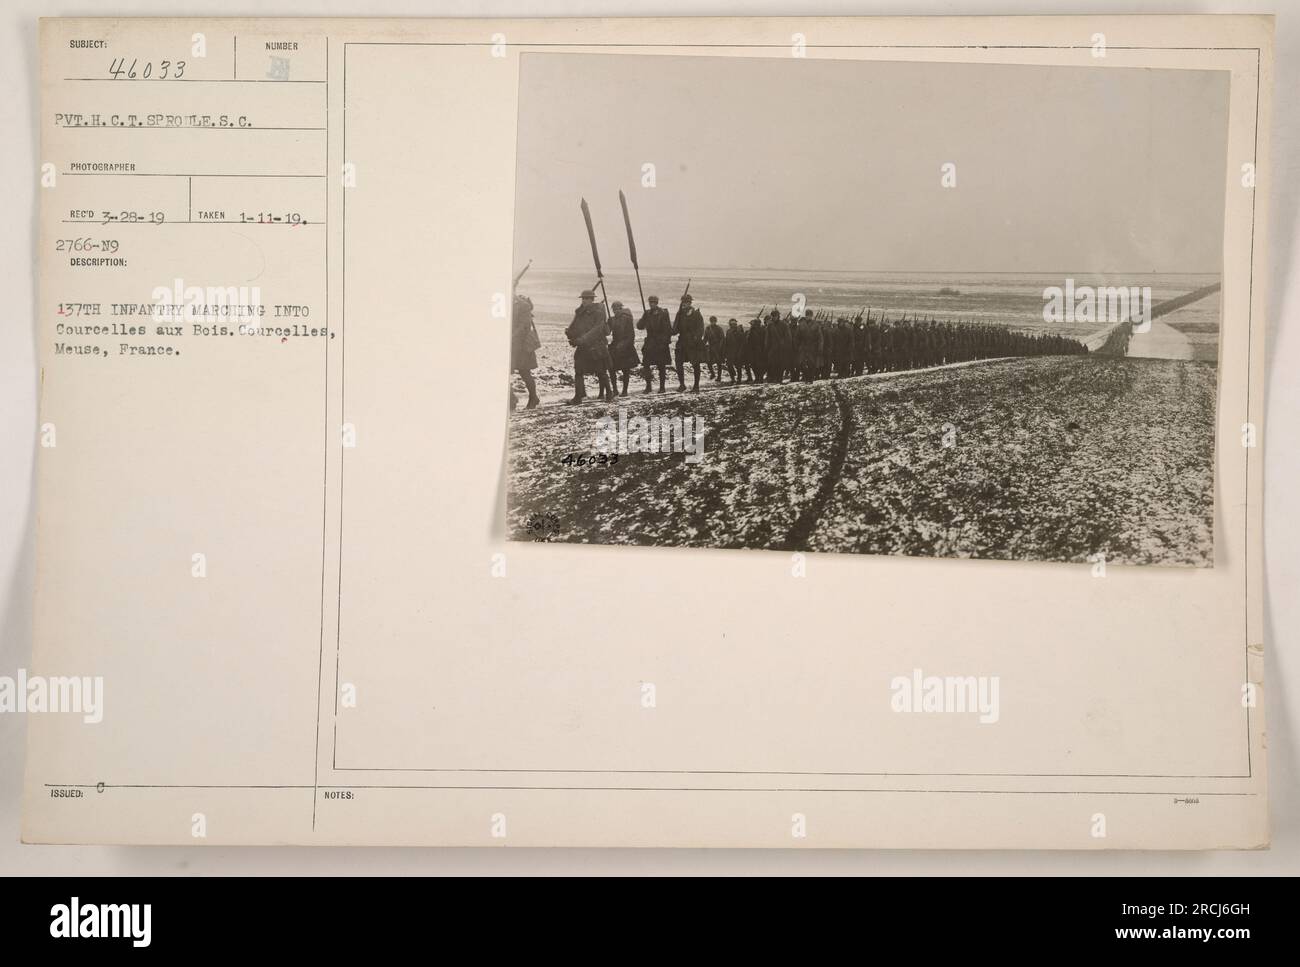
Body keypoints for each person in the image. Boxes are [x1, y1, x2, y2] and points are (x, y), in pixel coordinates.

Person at [564, 289, 612, 404]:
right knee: (579, 371)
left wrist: (581, 340)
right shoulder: (580, 313)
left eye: (586, 299)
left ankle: (609, 393)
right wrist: (571, 334)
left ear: (592, 299)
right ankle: (578, 397)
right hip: (583, 347)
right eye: (583, 299)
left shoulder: (599, 313)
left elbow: (596, 330)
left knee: (601, 371)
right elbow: (578, 328)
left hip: (596, 347)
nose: (584, 301)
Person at [509, 293, 541, 411]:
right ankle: (511, 400)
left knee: (525, 373)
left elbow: (524, 326)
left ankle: (533, 398)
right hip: (511, 345)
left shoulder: (523, 305)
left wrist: (510, 336)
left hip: (522, 346)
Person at [637, 294, 673, 393]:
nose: (651, 304)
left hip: (660, 343)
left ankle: (662, 387)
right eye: (650, 302)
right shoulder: (647, 313)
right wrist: (642, 319)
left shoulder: (663, 313)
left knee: (661, 366)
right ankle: (648, 386)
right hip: (650, 343)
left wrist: (664, 342)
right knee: (646, 364)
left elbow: (668, 329)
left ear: (657, 303)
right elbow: (640, 326)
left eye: (653, 302)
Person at [672, 293, 705, 393]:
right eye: (683, 302)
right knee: (678, 363)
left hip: (693, 343)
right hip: (682, 342)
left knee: (695, 364)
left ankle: (696, 386)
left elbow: (700, 329)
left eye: (686, 302)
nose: (684, 304)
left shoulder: (696, 314)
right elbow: (675, 330)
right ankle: (682, 385)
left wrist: (696, 338)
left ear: (690, 303)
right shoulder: (680, 314)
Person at [607, 300, 640, 397]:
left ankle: (625, 391)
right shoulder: (612, 319)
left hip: (626, 346)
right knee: (611, 368)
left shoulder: (627, 319)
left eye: (617, 309)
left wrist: (623, 345)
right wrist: (608, 323)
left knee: (625, 370)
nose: (615, 311)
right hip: (615, 345)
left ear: (621, 308)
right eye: (614, 309)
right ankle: (615, 390)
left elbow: (631, 335)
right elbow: (607, 332)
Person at [723, 318, 745, 383]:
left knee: (738, 366)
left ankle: (739, 379)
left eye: (734, 324)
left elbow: (742, 341)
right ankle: (733, 378)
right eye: (732, 324)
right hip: (730, 351)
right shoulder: (728, 331)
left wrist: (740, 351)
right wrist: (725, 351)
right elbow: (726, 341)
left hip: (737, 350)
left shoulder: (739, 331)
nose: (733, 325)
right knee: (729, 365)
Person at [704, 315, 726, 381]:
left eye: (713, 321)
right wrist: (702, 345)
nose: (712, 322)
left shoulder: (719, 328)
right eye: (711, 321)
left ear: (716, 321)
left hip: (717, 347)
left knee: (719, 363)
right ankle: (712, 374)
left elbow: (722, 338)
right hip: (710, 347)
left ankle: (719, 377)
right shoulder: (707, 328)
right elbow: (705, 338)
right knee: (708, 362)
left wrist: (720, 347)